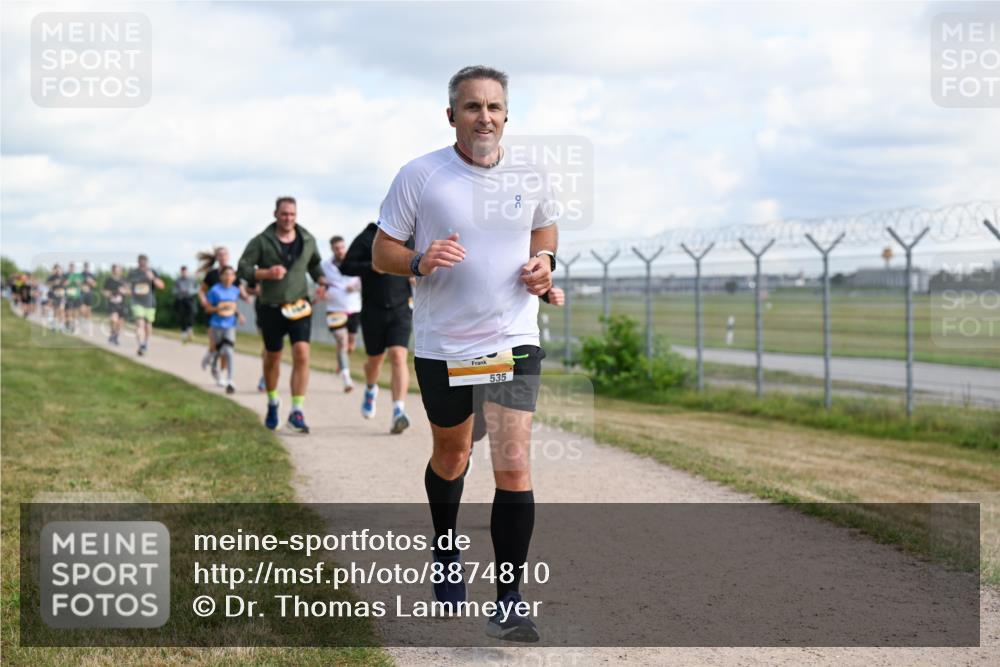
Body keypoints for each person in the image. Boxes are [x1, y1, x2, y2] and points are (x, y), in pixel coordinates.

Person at [372, 65, 558, 642]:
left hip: (514, 338)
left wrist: (544, 265)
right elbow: (383, 252)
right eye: (473, 107)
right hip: (444, 343)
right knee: (453, 457)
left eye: (495, 107)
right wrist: (421, 261)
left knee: (513, 463)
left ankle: (510, 599)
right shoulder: (421, 176)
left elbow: (544, 232)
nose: (485, 117)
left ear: (507, 116)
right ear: (451, 115)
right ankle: (446, 548)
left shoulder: (532, 175)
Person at [237, 196, 329, 433]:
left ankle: (297, 411)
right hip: (271, 306)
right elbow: (243, 268)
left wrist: (321, 281)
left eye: (292, 214)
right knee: (273, 357)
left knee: (302, 353)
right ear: (275, 214)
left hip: (299, 305)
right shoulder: (261, 241)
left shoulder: (307, 240)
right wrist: (266, 273)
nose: (288, 218)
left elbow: (315, 264)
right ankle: (273, 402)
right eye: (284, 214)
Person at [340, 222, 413, 433]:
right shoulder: (367, 238)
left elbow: (421, 260)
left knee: (398, 356)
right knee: (375, 362)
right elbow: (346, 266)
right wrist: (370, 266)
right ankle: (371, 389)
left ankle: (398, 411)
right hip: (373, 310)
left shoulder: (410, 237)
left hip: (401, 308)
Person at [321, 235, 362, 393]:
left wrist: (356, 286)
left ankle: (342, 362)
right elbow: (321, 282)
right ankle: (347, 379)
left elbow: (364, 278)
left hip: (354, 308)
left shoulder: (355, 261)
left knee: (351, 344)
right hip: (334, 309)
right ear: (332, 249)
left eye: (342, 247)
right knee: (342, 342)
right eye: (337, 248)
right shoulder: (325, 265)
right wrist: (322, 291)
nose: (340, 250)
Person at [205, 265, 245, 394]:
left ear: (234, 277)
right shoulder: (214, 290)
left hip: (230, 326)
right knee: (217, 352)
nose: (229, 277)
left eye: (231, 274)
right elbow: (208, 308)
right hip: (216, 325)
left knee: (228, 351)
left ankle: (230, 380)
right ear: (221, 276)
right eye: (226, 274)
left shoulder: (235, 291)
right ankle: (214, 369)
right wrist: (219, 308)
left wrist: (239, 315)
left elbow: (233, 307)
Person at [126, 254, 165, 356]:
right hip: (137, 302)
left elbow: (161, 286)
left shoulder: (152, 272)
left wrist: (152, 278)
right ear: (138, 262)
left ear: (147, 262)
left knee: (148, 325)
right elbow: (127, 286)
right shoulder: (133, 273)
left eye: (145, 262)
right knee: (140, 323)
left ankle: (145, 343)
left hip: (150, 303)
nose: (143, 264)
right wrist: (127, 290)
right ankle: (141, 345)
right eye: (141, 262)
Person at [172, 265, 199, 343]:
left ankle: (190, 329)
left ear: (187, 272)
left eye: (185, 271)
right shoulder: (177, 280)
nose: (184, 273)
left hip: (190, 299)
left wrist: (190, 291)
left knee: (192, 313)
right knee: (182, 316)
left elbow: (197, 288)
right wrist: (179, 291)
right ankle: (183, 335)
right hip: (181, 299)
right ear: (181, 272)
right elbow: (174, 290)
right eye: (182, 271)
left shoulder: (192, 280)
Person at [102, 264, 128, 345]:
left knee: (120, 322)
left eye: (119, 269)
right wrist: (108, 294)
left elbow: (129, 291)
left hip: (121, 304)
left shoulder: (124, 280)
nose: (118, 271)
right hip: (112, 303)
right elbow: (104, 291)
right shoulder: (109, 280)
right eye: (116, 269)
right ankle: (112, 334)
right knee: (114, 319)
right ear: (113, 271)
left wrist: (124, 291)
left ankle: (115, 336)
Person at [45, 264, 66, 332]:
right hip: (55, 294)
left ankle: (61, 326)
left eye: (59, 269)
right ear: (54, 269)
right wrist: (54, 283)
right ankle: (54, 325)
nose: (58, 270)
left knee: (62, 310)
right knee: (56, 310)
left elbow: (66, 284)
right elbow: (48, 284)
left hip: (62, 294)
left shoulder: (63, 276)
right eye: (56, 269)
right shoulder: (52, 277)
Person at [79, 261, 98, 331]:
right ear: (84, 267)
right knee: (82, 309)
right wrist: (81, 285)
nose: (86, 268)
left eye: (87, 266)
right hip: (82, 293)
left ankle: (86, 323)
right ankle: (81, 319)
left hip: (89, 293)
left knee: (88, 310)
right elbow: (77, 283)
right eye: (85, 266)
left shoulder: (92, 275)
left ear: (89, 267)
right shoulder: (80, 274)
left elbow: (95, 285)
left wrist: (91, 282)